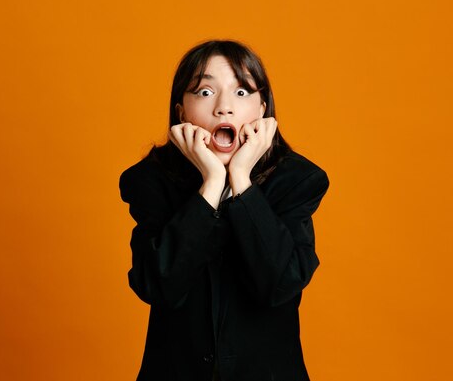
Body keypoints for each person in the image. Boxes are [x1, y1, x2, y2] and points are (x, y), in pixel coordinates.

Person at [119, 40, 329, 381]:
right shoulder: (149, 182)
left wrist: (242, 182)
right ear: (181, 112)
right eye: (204, 92)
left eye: (242, 92)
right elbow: (157, 285)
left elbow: (279, 284)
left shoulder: (298, 181)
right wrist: (212, 183)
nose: (224, 108)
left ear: (262, 109)